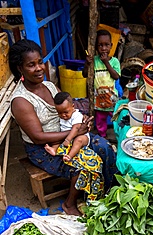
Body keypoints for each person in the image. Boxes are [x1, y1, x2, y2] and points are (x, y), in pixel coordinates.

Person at [9, 39, 118, 216]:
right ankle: (70, 203)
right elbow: (37, 137)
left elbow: (66, 107)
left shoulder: (50, 86)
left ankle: (107, 190)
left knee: (104, 147)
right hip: (43, 148)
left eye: (40, 62)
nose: (39, 68)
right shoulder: (21, 101)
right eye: (31, 65)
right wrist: (74, 131)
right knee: (86, 163)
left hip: (68, 134)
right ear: (20, 68)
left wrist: (79, 120)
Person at [83, 29, 121, 138]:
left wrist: (106, 62)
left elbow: (116, 76)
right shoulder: (94, 61)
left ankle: (118, 137)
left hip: (112, 98)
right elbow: (85, 74)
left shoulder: (114, 61)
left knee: (116, 118)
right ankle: (102, 137)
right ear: (95, 47)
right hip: (98, 99)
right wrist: (87, 64)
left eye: (106, 45)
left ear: (111, 46)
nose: (103, 48)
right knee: (100, 120)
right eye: (100, 45)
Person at [45, 91, 93, 162]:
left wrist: (68, 140)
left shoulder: (76, 115)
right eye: (60, 113)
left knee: (78, 141)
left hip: (81, 136)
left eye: (66, 112)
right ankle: (54, 149)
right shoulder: (62, 117)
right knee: (57, 140)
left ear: (73, 106)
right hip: (67, 137)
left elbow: (76, 128)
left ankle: (69, 156)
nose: (63, 115)